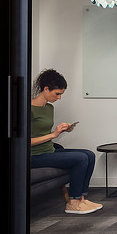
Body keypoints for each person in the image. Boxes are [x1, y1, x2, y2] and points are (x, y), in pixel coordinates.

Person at [30, 69, 103, 215]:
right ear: (46, 89)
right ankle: (73, 203)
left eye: (61, 94)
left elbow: (44, 132)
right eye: (57, 94)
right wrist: (53, 134)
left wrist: (63, 130)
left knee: (89, 154)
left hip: (49, 151)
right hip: (34, 155)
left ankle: (82, 198)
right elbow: (25, 141)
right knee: (80, 158)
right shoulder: (28, 109)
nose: (59, 98)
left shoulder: (49, 108)